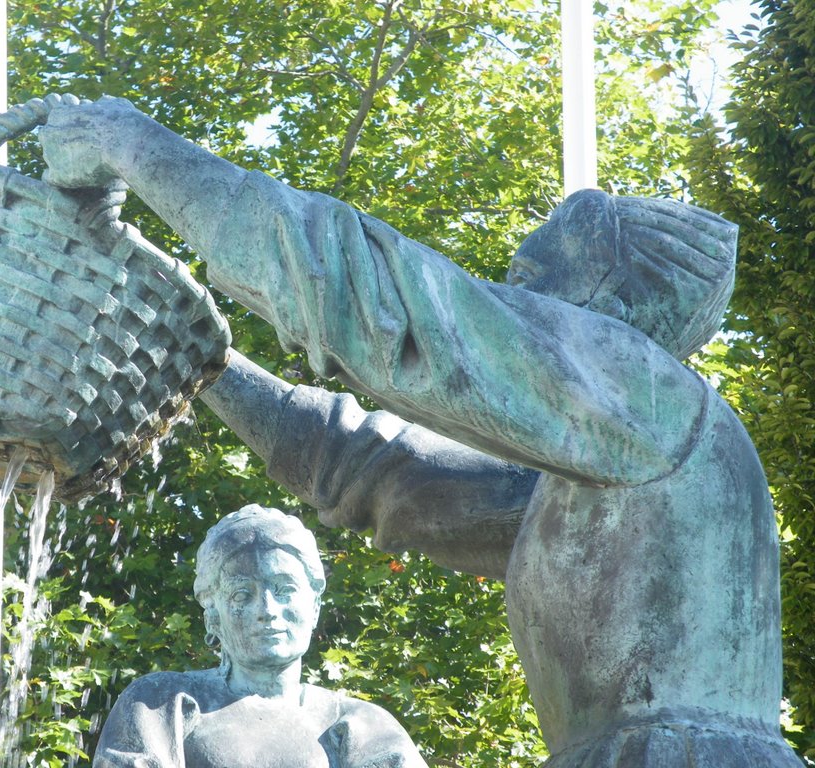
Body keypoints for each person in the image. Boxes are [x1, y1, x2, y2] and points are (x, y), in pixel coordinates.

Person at [42, 97, 804, 766]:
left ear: (613, 302)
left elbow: (375, 301)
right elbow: (378, 469)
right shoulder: (587, 486)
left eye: (532, 285)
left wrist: (132, 145)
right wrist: (198, 351)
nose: (510, 304)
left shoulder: (647, 395)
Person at [93, 505, 428, 768]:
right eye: (242, 595)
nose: (266, 609)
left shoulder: (361, 726)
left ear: (314, 607)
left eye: (284, 590)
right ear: (212, 616)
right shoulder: (160, 704)